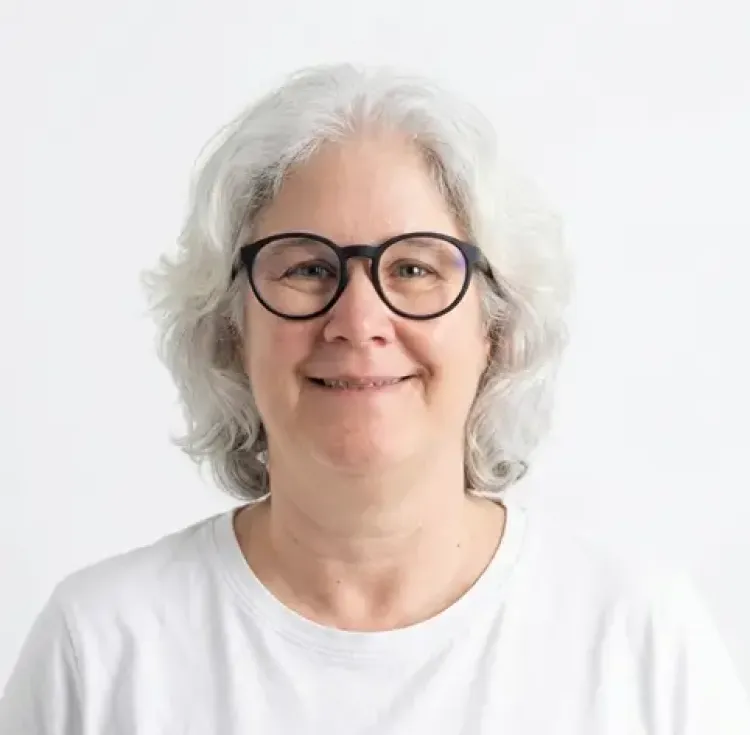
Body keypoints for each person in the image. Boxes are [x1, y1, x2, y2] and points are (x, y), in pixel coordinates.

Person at [2, 63, 748, 735]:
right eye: (306, 269)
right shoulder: (101, 650)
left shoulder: (641, 644)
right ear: (231, 327)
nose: (359, 321)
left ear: (496, 325)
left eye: (415, 269)